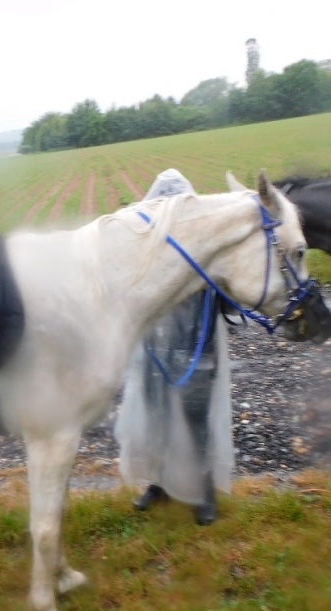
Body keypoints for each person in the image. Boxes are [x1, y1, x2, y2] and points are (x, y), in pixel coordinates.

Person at [114, 169, 234, 526]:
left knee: (197, 424)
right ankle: (160, 485)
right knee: (157, 419)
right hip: (155, 352)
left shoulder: (208, 249)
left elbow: (227, 300)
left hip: (197, 349)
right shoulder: (146, 249)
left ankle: (205, 493)